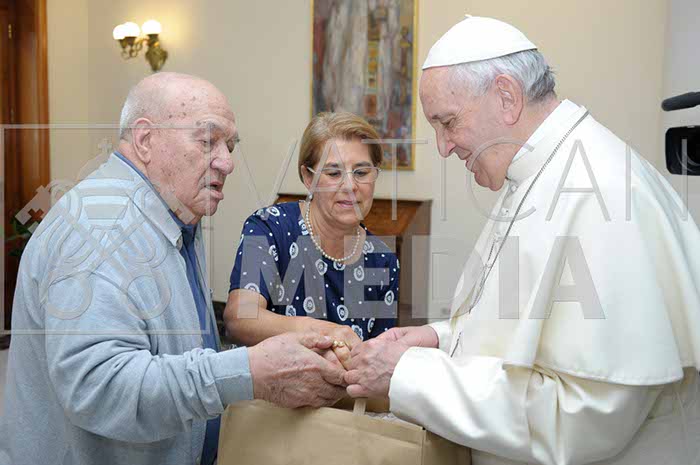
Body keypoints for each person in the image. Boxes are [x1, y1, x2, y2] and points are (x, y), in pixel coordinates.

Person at [345, 16, 700, 465]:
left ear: (506, 97)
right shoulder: (539, 173)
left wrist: (409, 375)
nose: (443, 146)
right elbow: (518, 330)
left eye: (448, 122)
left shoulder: (602, 193)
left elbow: (582, 419)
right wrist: (438, 338)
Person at [0, 73, 347, 465]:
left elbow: (174, 353)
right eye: (207, 141)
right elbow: (99, 388)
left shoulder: (175, 216)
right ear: (145, 140)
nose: (228, 162)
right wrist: (248, 371)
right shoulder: (101, 229)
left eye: (230, 145)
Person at [225, 112, 398, 359]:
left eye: (361, 172)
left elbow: (377, 360)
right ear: (308, 178)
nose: (350, 186)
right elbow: (239, 320)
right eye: (333, 173)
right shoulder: (269, 227)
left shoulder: (383, 260)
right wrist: (327, 333)